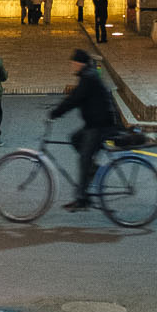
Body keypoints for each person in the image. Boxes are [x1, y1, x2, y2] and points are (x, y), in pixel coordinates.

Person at [49, 49, 118, 209]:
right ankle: (92, 169)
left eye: (74, 63)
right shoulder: (88, 75)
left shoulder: (88, 77)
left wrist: (55, 113)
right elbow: (76, 98)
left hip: (100, 125)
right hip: (94, 123)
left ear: (80, 63)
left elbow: (75, 99)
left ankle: (81, 198)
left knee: (84, 158)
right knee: (75, 139)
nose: (72, 66)